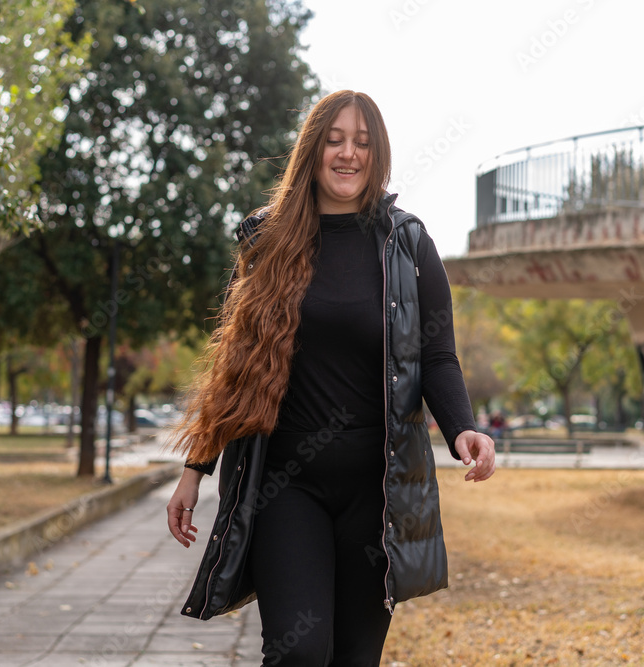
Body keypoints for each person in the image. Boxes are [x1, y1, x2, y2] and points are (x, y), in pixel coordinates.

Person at [166, 90, 495, 666]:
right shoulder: (266, 239)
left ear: (378, 155)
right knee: (299, 651)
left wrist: (464, 427)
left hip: (379, 490)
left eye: (362, 143)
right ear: (313, 151)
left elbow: (437, 355)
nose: (348, 154)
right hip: (285, 485)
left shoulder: (408, 244)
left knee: (354, 658)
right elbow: (236, 363)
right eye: (335, 141)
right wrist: (196, 468)